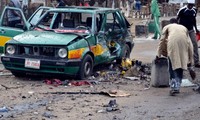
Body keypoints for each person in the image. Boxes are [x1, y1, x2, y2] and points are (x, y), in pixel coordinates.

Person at [157, 18, 194, 96]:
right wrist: (191, 60)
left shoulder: (167, 27)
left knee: (172, 64)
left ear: (170, 23)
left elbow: (162, 40)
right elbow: (190, 45)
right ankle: (178, 84)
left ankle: (174, 86)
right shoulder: (184, 28)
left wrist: (158, 54)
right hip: (183, 43)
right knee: (180, 64)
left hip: (173, 43)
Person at [177, 0, 200, 68]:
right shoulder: (182, 10)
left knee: (195, 44)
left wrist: (196, 29)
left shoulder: (194, 10)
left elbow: (194, 20)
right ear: (187, 4)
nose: (190, 6)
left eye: (191, 5)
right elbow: (177, 19)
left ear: (193, 5)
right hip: (182, 30)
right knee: (184, 45)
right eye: (189, 5)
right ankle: (184, 62)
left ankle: (196, 62)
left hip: (190, 30)